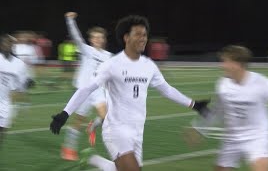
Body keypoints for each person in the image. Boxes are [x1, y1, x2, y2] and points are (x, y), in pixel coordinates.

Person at [49, 15, 209, 171]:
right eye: (138, 34)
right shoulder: (112, 64)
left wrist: (194, 104)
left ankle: (95, 160)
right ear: (126, 37)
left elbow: (166, 89)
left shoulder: (148, 65)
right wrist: (65, 113)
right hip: (116, 129)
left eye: (145, 35)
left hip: (137, 130)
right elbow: (87, 88)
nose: (143, 38)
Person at [188, 45, 268, 171]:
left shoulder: (264, 83)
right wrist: (200, 128)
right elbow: (217, 110)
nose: (222, 66)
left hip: (257, 138)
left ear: (237, 64)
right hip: (232, 138)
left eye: (225, 61)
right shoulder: (222, 84)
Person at [60, 12, 113, 161]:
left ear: (104, 40)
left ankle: (93, 126)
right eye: (95, 37)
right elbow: (75, 35)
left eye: (100, 37)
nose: (97, 39)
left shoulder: (109, 56)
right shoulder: (85, 50)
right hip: (84, 91)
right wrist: (70, 20)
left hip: (99, 92)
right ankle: (68, 148)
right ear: (91, 39)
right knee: (77, 121)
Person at [0, 34, 31, 148]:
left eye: (10, 43)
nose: (7, 45)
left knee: (3, 128)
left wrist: (27, 84)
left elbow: (20, 86)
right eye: (5, 43)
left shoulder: (19, 64)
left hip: (5, 102)